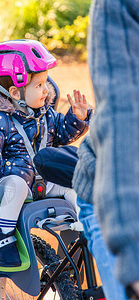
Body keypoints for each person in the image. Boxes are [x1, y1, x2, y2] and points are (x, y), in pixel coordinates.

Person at [0, 39, 92, 268]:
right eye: (39, 85)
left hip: (45, 181)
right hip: (11, 183)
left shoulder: (45, 114)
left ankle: (86, 226)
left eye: (46, 83)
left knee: (75, 185)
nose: (47, 90)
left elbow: (63, 134)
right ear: (15, 92)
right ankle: (4, 236)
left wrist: (77, 118)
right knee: (15, 186)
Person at [72, 0, 139, 298]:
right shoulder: (119, 5)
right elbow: (122, 117)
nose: (45, 91)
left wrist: (76, 119)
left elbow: (63, 129)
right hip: (117, 179)